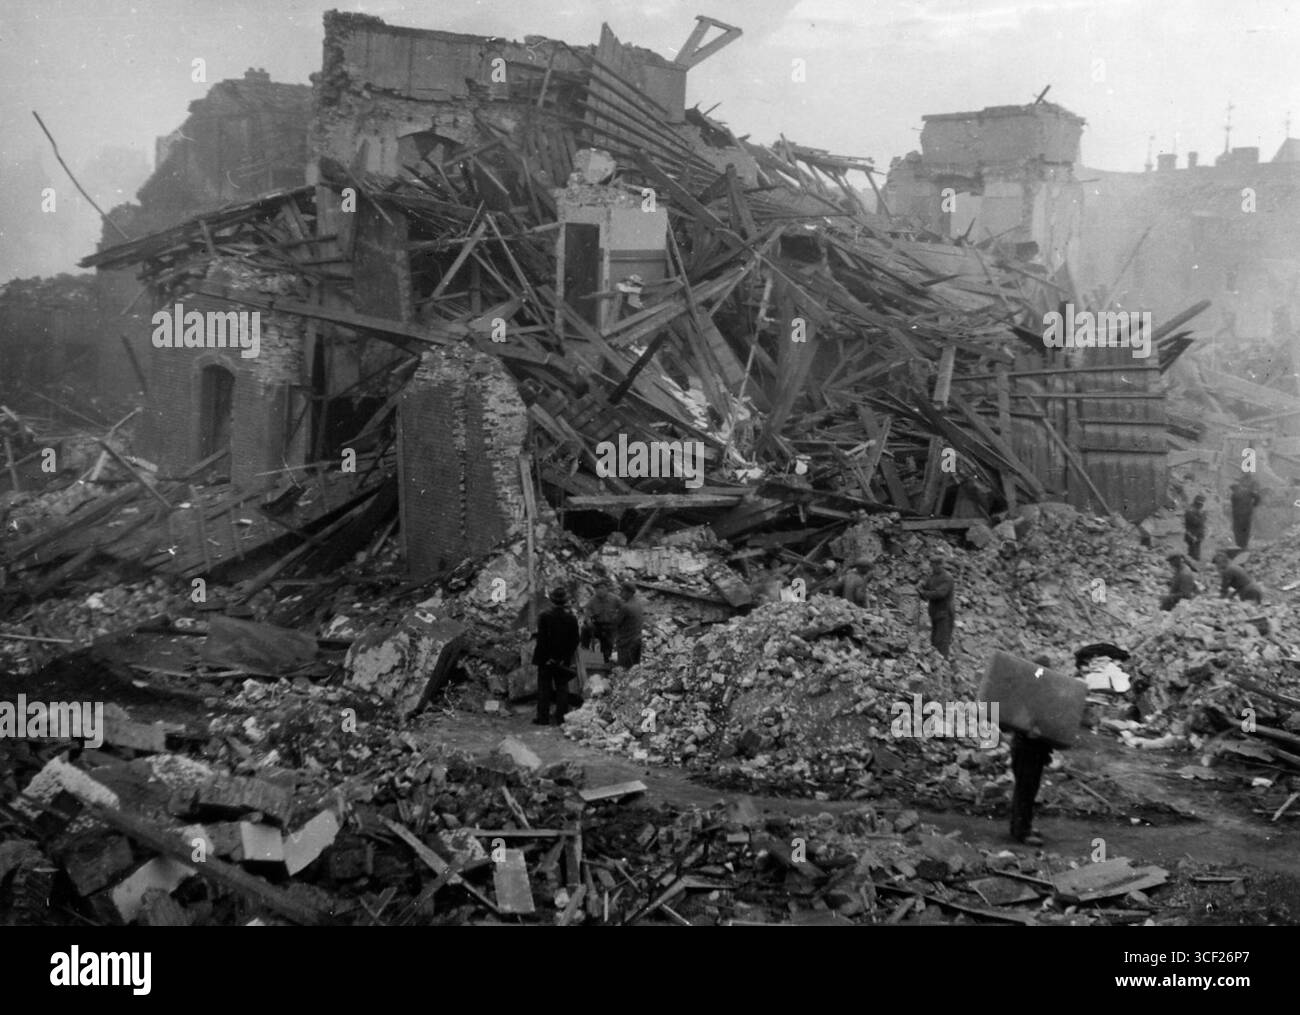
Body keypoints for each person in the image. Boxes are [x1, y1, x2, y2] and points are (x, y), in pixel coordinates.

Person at [531, 586, 580, 726]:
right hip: (562, 660)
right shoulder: (571, 618)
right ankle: (561, 718)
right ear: (565, 601)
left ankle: (543, 718)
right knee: (562, 688)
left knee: (544, 689)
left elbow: (542, 639)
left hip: (546, 659)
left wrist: (547, 658)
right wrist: (564, 657)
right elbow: (575, 640)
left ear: (552, 601)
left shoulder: (544, 616)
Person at [917, 554, 955, 657]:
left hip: (945, 613)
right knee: (934, 640)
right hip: (935, 613)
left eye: (933, 565)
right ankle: (937, 664)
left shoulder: (947, 578)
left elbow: (940, 593)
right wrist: (922, 584)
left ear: (940, 565)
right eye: (931, 565)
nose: (931, 568)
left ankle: (943, 665)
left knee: (942, 641)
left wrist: (924, 593)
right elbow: (927, 584)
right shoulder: (933, 576)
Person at [582, 567, 621, 665]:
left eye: (602, 588)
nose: (599, 591)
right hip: (597, 626)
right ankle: (585, 650)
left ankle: (606, 662)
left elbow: (624, 609)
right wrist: (588, 621)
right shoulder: (592, 600)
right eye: (597, 589)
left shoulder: (614, 599)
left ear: (606, 588)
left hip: (610, 627)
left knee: (607, 647)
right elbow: (587, 612)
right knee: (584, 629)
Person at [614, 580, 644, 667]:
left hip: (626, 643)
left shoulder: (626, 607)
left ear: (628, 593)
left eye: (622, 591)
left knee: (623, 669)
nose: (620, 594)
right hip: (637, 640)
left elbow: (616, 622)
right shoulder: (638, 604)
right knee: (634, 668)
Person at [1229, 477, 1262, 549]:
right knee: (1245, 529)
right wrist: (1254, 505)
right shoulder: (1248, 491)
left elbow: (1233, 507)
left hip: (1238, 516)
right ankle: (1244, 545)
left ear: (1234, 488)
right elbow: (1258, 497)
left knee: (1238, 530)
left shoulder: (1234, 495)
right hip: (1247, 514)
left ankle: (1239, 544)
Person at [1183, 494, 1207, 561]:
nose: (1201, 506)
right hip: (1192, 535)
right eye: (1200, 504)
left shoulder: (1198, 511)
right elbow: (1196, 522)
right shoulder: (1190, 511)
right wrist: (1202, 515)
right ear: (1197, 503)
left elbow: (1202, 522)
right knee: (1193, 554)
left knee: (1196, 552)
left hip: (1198, 535)